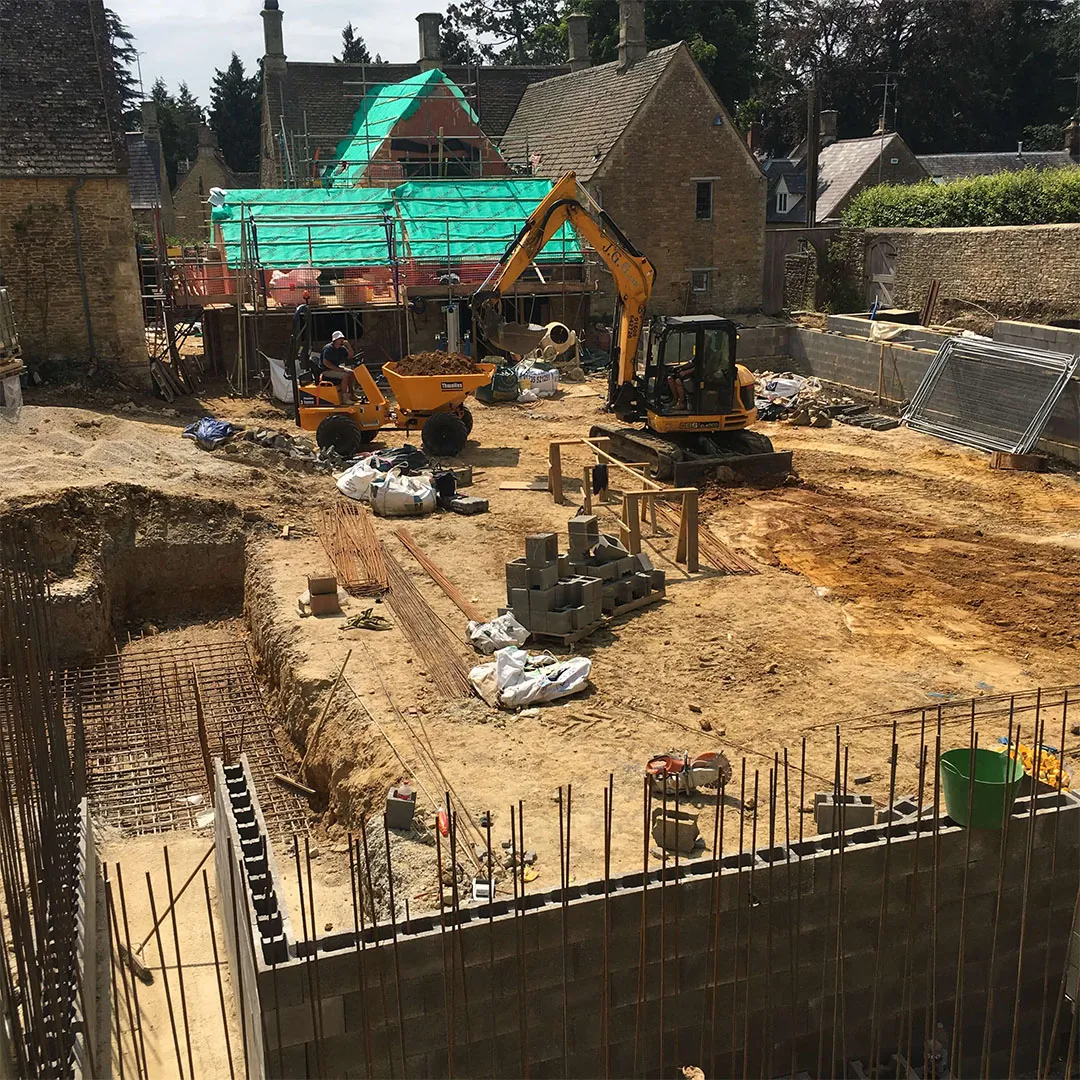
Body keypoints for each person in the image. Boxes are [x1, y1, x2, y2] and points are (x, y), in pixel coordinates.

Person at [319, 330, 356, 400]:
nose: (342, 340)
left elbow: (350, 356)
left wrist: (348, 346)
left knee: (352, 373)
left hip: (335, 368)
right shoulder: (328, 349)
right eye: (340, 338)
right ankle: (345, 398)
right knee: (345, 376)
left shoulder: (341, 348)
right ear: (335, 340)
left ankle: (351, 394)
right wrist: (338, 370)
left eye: (342, 338)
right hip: (326, 370)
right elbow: (326, 362)